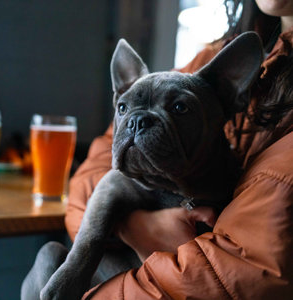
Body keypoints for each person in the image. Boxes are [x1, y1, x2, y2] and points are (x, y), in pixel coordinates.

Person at [22, 0, 293, 298]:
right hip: (111, 276)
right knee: (48, 255)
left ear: (234, 93)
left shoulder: (212, 85)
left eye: (179, 107)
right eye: (124, 107)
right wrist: (135, 226)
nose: (137, 124)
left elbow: (237, 273)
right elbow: (99, 173)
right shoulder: (202, 61)